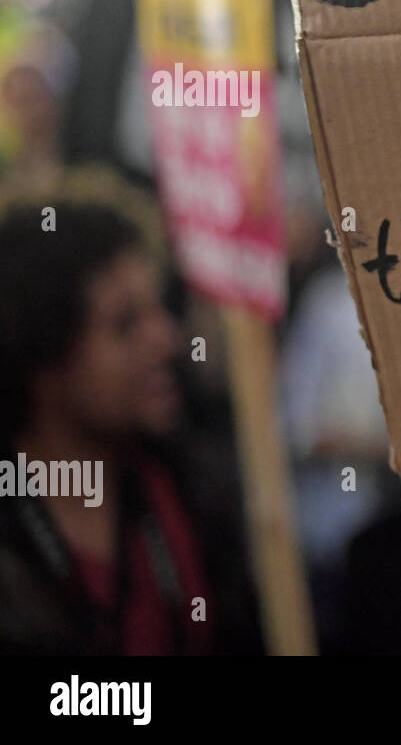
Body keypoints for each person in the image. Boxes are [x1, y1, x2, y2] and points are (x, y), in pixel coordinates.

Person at [0, 199, 260, 654]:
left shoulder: (193, 492)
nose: (167, 339)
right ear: (44, 358)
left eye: (158, 310)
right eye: (125, 324)